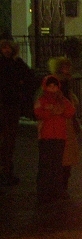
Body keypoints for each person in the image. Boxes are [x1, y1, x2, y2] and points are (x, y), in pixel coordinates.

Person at [33, 75, 76, 204]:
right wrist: (51, 112)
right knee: (45, 165)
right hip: (46, 137)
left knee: (57, 166)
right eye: (50, 86)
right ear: (45, 86)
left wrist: (61, 110)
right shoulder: (42, 100)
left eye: (54, 86)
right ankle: (43, 192)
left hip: (59, 137)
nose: (52, 88)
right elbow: (37, 113)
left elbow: (71, 111)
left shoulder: (62, 100)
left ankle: (56, 191)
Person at [0, 38, 35, 187]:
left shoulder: (17, 63)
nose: (7, 50)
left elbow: (29, 77)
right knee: (4, 139)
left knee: (9, 140)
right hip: (2, 105)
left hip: (12, 105)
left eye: (9, 47)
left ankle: (7, 171)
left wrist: (20, 88)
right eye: (4, 48)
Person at [48, 56, 80, 193]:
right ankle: (60, 187)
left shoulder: (67, 82)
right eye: (64, 66)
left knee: (66, 157)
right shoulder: (57, 83)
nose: (67, 69)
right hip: (60, 124)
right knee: (62, 157)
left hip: (67, 123)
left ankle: (62, 186)